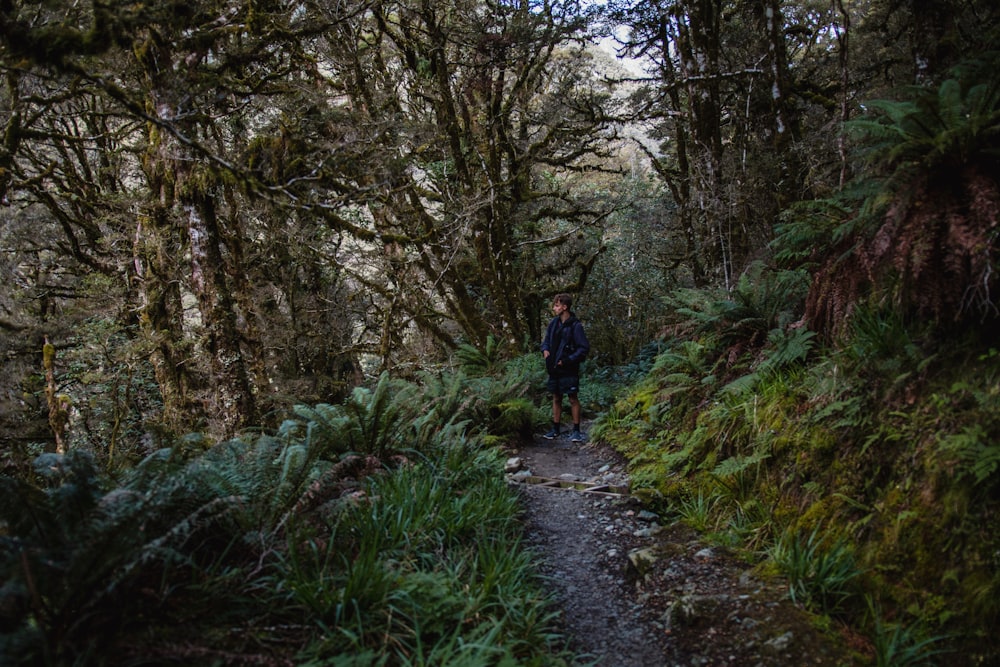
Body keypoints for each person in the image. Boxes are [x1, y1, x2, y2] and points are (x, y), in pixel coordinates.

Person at [540, 293, 590, 442]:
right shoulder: (553, 324)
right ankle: (555, 429)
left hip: (569, 368)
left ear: (564, 307)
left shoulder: (576, 326)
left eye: (557, 305)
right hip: (554, 368)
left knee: (572, 398)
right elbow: (546, 341)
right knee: (556, 397)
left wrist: (568, 360)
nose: (554, 308)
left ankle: (576, 430)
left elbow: (583, 348)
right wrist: (545, 351)